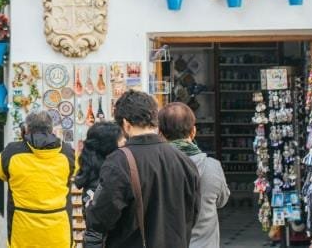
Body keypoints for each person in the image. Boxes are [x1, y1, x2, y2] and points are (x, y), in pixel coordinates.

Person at [86, 90, 200, 248]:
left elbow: (101, 217)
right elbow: (193, 212)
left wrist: (91, 206)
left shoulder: (119, 161)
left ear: (126, 124)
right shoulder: (184, 160)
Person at [0, 111, 75, 248]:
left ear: (26, 129)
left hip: (23, 231)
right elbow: (74, 171)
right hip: (58, 231)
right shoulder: (67, 152)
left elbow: (0, 172)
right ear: (51, 129)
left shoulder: (11, 152)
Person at [158, 102, 229, 248]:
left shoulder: (154, 166)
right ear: (193, 131)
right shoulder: (212, 166)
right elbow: (222, 201)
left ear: (160, 133)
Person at [71, 122, 124, 248]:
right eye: (121, 139)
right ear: (110, 146)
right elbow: (97, 229)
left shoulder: (95, 173)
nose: (125, 142)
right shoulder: (103, 180)